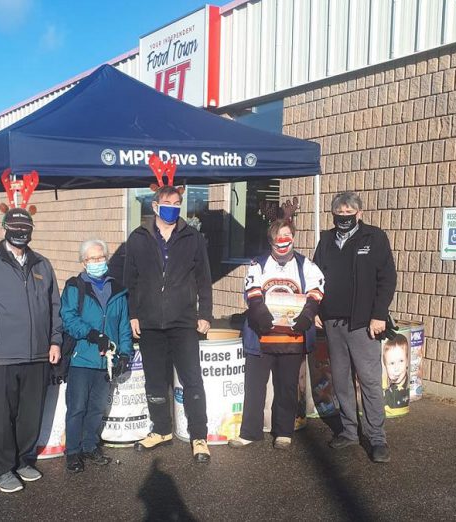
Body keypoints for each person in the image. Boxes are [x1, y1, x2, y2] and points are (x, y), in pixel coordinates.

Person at [0, 207, 62, 493]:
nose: (21, 233)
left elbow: (55, 307)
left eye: (26, 229)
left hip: (38, 354)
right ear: (5, 228)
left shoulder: (43, 264)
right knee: (2, 415)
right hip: (2, 355)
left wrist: (54, 340)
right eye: (15, 228)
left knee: (30, 414)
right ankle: (2, 468)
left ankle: (23, 460)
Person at [124, 184, 213, 463]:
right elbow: (130, 280)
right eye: (167, 202)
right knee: (155, 380)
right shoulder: (138, 238)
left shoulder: (193, 237)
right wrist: (133, 314)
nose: (173, 206)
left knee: (191, 380)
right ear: (154, 206)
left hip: (184, 321)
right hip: (150, 322)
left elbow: (203, 279)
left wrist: (205, 315)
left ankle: (199, 435)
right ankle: (161, 429)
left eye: (177, 202)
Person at [313, 191, 397, 464]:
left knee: (370, 380)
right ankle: (349, 431)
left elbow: (387, 278)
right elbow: (316, 279)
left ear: (359, 214)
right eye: (340, 214)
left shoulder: (374, 238)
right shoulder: (325, 240)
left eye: (350, 213)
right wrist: (315, 309)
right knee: (341, 380)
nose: (345, 218)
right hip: (333, 323)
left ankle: (376, 437)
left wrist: (379, 314)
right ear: (333, 214)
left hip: (364, 324)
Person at [229, 219, 324, 450]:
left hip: (292, 338)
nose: (282, 241)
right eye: (277, 237)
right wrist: (260, 314)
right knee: (254, 386)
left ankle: (284, 432)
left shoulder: (305, 264)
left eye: (286, 235)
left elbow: (317, 289)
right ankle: (250, 432)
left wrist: (308, 314)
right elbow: (252, 291)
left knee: (287, 387)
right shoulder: (258, 264)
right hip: (260, 337)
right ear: (270, 240)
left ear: (293, 236)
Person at [60, 239, 133, 473]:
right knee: (77, 407)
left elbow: (122, 324)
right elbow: (68, 318)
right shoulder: (74, 286)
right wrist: (93, 335)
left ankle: (90, 446)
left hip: (106, 361)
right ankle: (72, 451)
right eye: (92, 259)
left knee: (96, 407)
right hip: (81, 358)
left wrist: (124, 353)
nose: (97, 262)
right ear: (84, 262)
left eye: (101, 258)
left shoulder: (118, 289)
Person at [383, 334, 410, 411]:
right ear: (385, 365)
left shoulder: (408, 387)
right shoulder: (381, 386)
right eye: (392, 363)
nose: (396, 368)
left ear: (407, 362)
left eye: (401, 361)